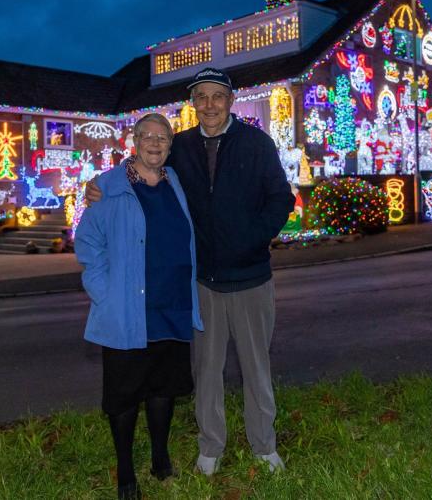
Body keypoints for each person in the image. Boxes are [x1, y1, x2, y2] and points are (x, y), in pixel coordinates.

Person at [86, 68, 294, 475]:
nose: (210, 105)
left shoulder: (256, 143)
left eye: (218, 96)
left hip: (252, 278)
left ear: (231, 100)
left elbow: (280, 199)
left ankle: (264, 446)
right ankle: (211, 446)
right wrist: (100, 184)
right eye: (202, 97)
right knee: (206, 370)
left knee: (256, 367)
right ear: (193, 103)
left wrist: (252, 239)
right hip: (202, 285)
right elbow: (141, 163)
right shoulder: (179, 146)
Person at [75, 113, 204, 500]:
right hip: (128, 310)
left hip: (173, 305)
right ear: (134, 140)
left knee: (163, 389)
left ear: (169, 145)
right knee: (125, 394)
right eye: (147, 135)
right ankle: (126, 472)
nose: (155, 142)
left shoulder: (175, 183)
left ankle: (161, 460)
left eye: (162, 137)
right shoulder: (108, 187)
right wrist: (104, 291)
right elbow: (87, 244)